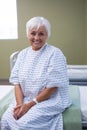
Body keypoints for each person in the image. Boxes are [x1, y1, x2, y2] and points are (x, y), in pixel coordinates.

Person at [1, 16, 72, 130]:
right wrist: (20, 105)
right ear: (27, 34)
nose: (36, 38)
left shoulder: (55, 53)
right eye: (33, 33)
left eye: (41, 34)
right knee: (5, 120)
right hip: (25, 99)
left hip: (50, 100)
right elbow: (17, 83)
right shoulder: (23, 54)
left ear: (47, 35)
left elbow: (52, 88)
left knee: (23, 124)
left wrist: (29, 106)